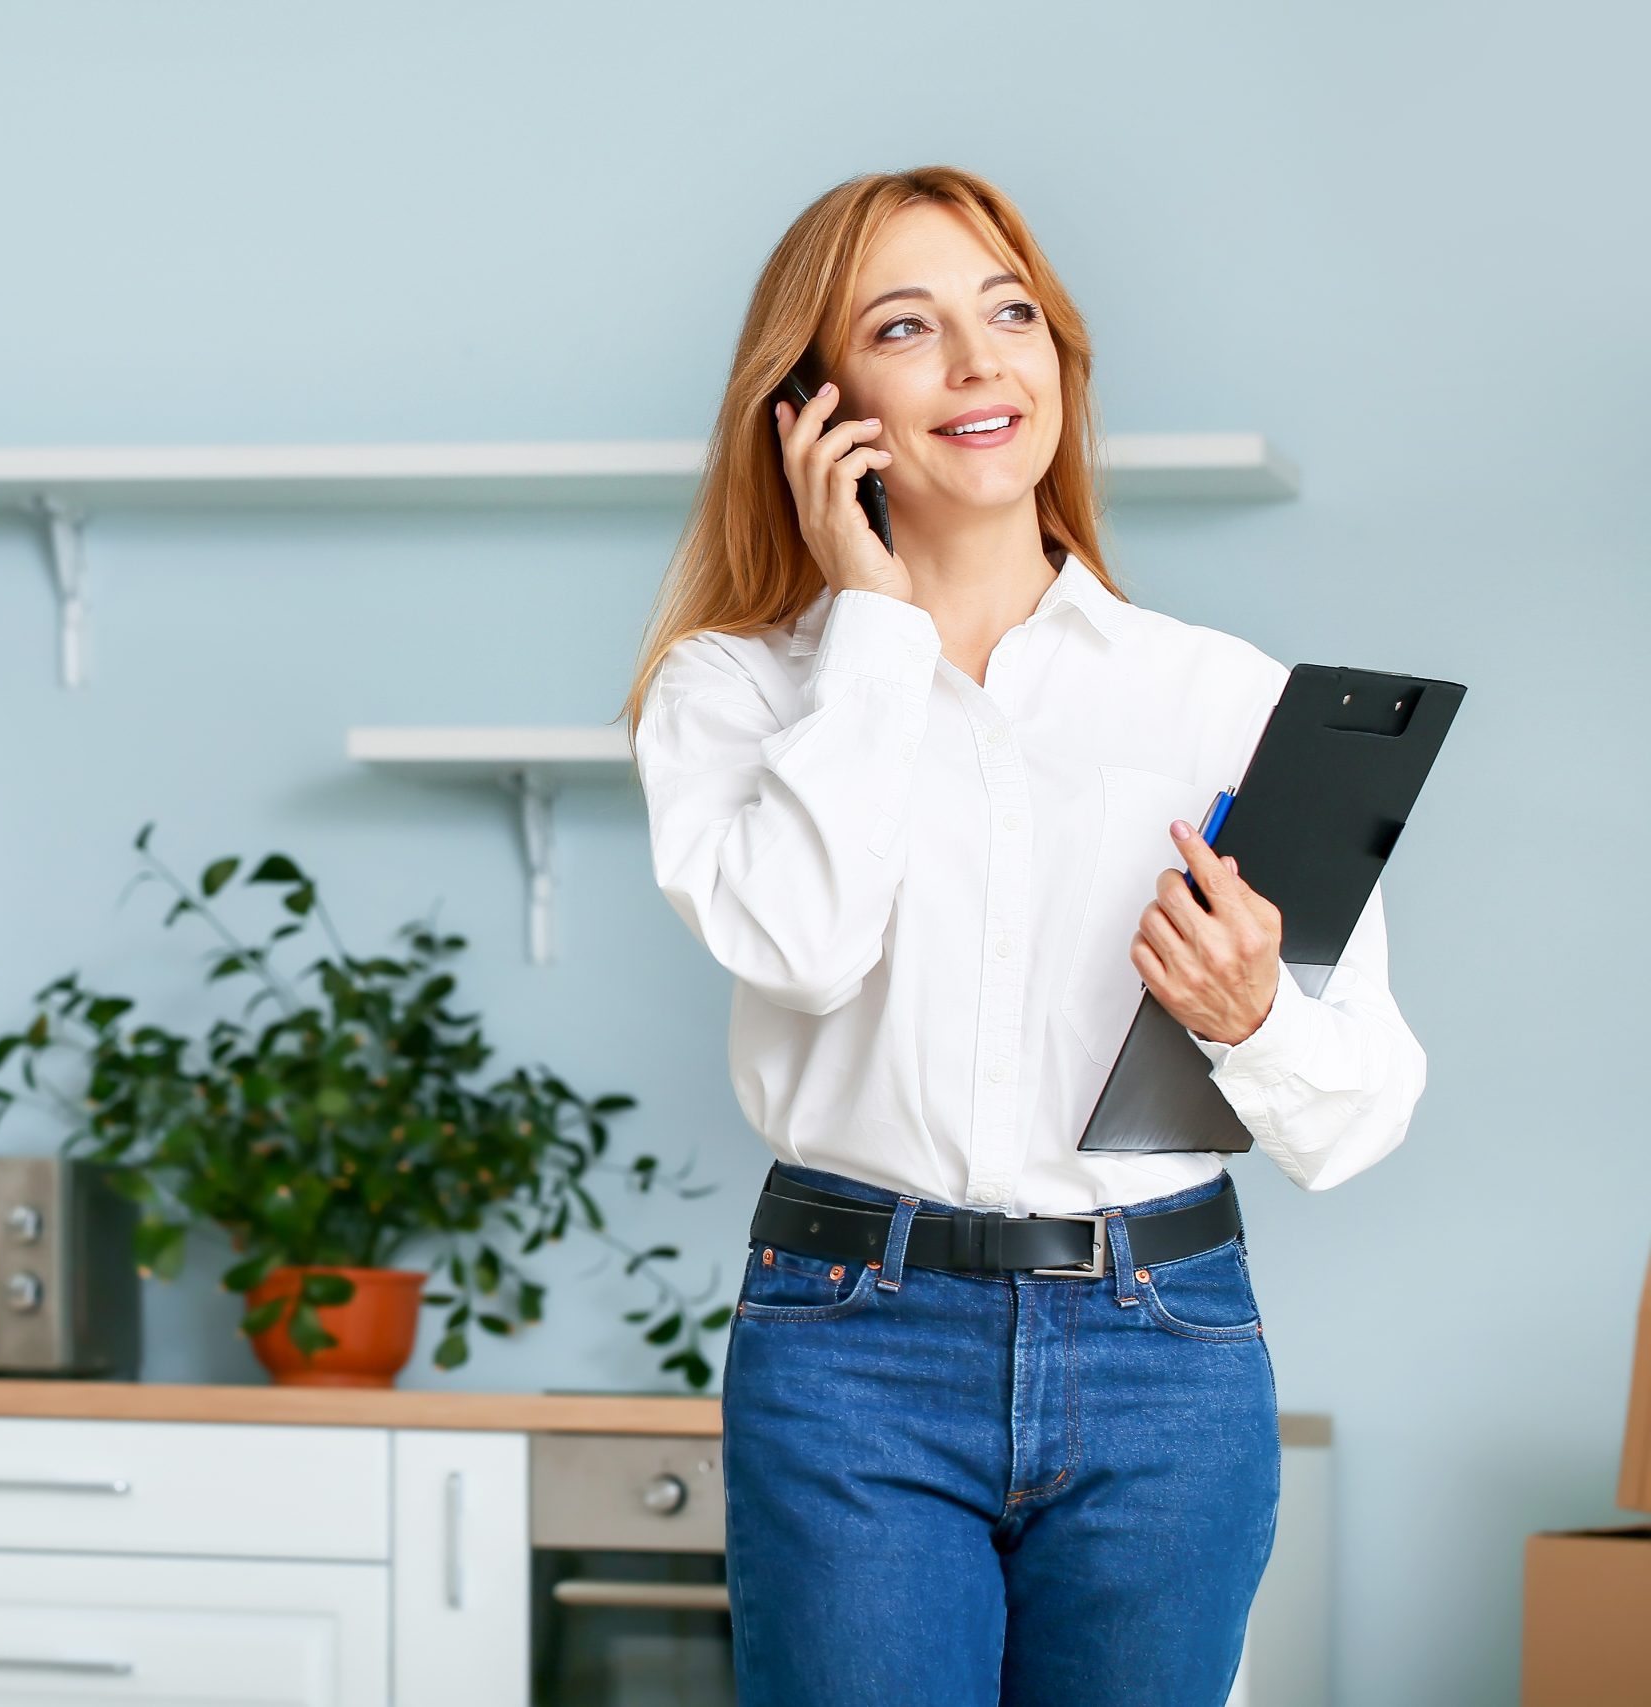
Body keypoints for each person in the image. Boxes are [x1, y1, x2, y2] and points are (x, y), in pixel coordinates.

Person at [619, 165, 1428, 1707]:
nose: (982, 363)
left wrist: (1253, 1014)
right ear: (813, 408)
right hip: (856, 1347)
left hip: (1164, 1348)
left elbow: (1365, 1112)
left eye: (1011, 315)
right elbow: (797, 945)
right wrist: (871, 627)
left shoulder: (1224, 700)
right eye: (908, 327)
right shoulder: (729, 691)